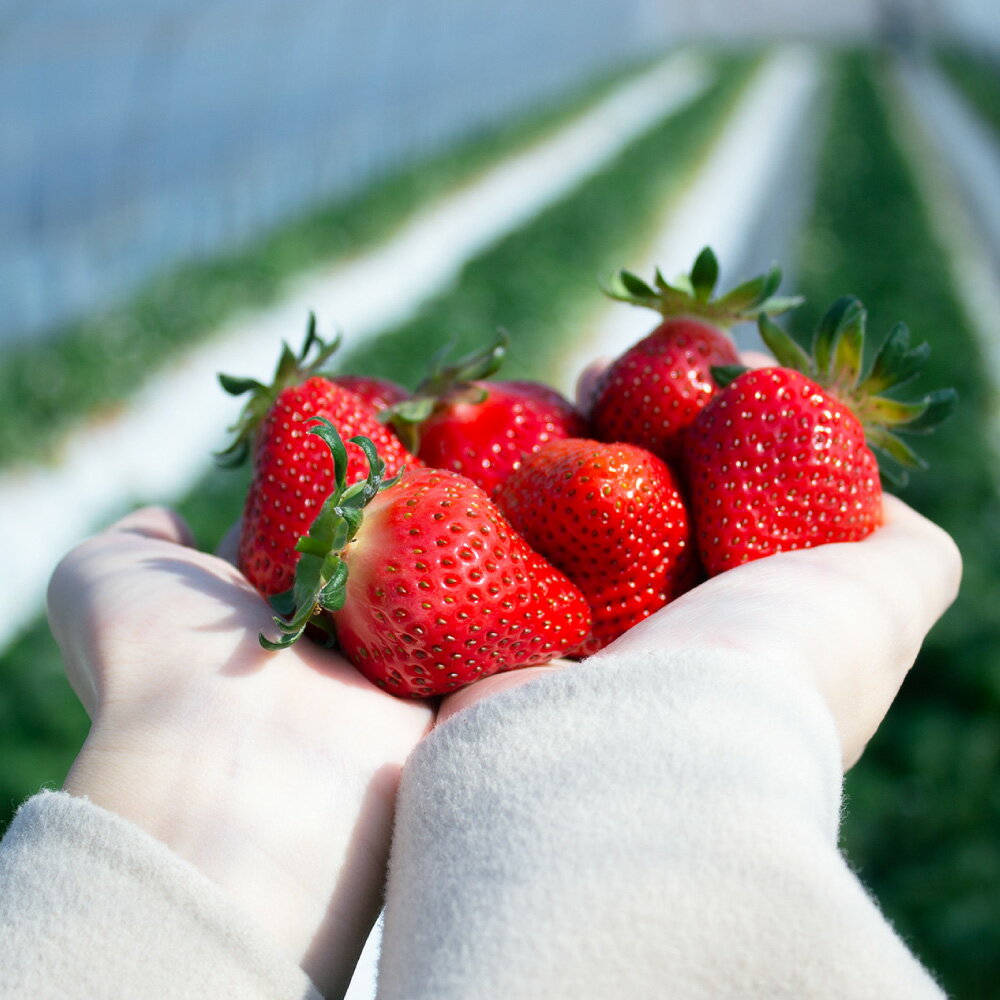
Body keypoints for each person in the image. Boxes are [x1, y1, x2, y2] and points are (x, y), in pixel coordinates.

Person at [0, 349, 962, 998]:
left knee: (606, 491)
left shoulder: (447, 526)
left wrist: (193, 795)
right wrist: (687, 732)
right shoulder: (430, 522)